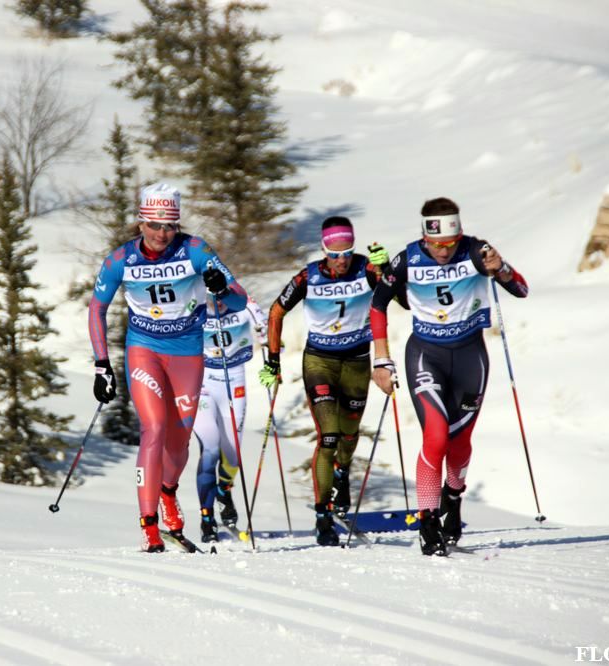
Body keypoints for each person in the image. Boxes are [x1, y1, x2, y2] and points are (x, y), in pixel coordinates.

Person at [88, 183, 248, 552]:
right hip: (144, 349)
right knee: (153, 428)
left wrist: (220, 288)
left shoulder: (196, 250)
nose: (163, 234)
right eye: (155, 225)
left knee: (178, 443)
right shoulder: (120, 260)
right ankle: (149, 526)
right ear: (140, 223)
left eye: (170, 226)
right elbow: (97, 307)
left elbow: (239, 302)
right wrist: (101, 364)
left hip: (187, 354)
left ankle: (168, 492)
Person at [369, 197, 529, 556]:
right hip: (426, 355)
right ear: (424, 236)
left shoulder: (476, 250)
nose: (442, 252)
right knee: (436, 437)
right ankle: (427, 520)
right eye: (435, 244)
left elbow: (521, 289)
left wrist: (501, 268)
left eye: (449, 244)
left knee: (460, 443)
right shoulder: (408, 257)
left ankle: (453, 500)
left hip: (471, 356)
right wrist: (381, 360)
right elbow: (378, 304)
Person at [259, 217, 394, 546]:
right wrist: (273, 361)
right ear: (324, 251)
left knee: (349, 435)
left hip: (357, 361)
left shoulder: (366, 269)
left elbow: (398, 296)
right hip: (320, 361)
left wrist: (387, 268)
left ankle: (343, 473)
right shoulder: (309, 276)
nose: (342, 259)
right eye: (335, 254)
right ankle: (322, 516)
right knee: (329, 436)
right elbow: (276, 311)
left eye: (348, 251)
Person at [193, 294, 267, 542]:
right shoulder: (194, 308)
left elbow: (266, 326)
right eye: (213, 296)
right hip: (202, 384)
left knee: (232, 452)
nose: (219, 301)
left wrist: (271, 354)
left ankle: (224, 492)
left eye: (224, 294)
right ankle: (207, 518)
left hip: (234, 383)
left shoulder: (244, 304)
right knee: (210, 449)